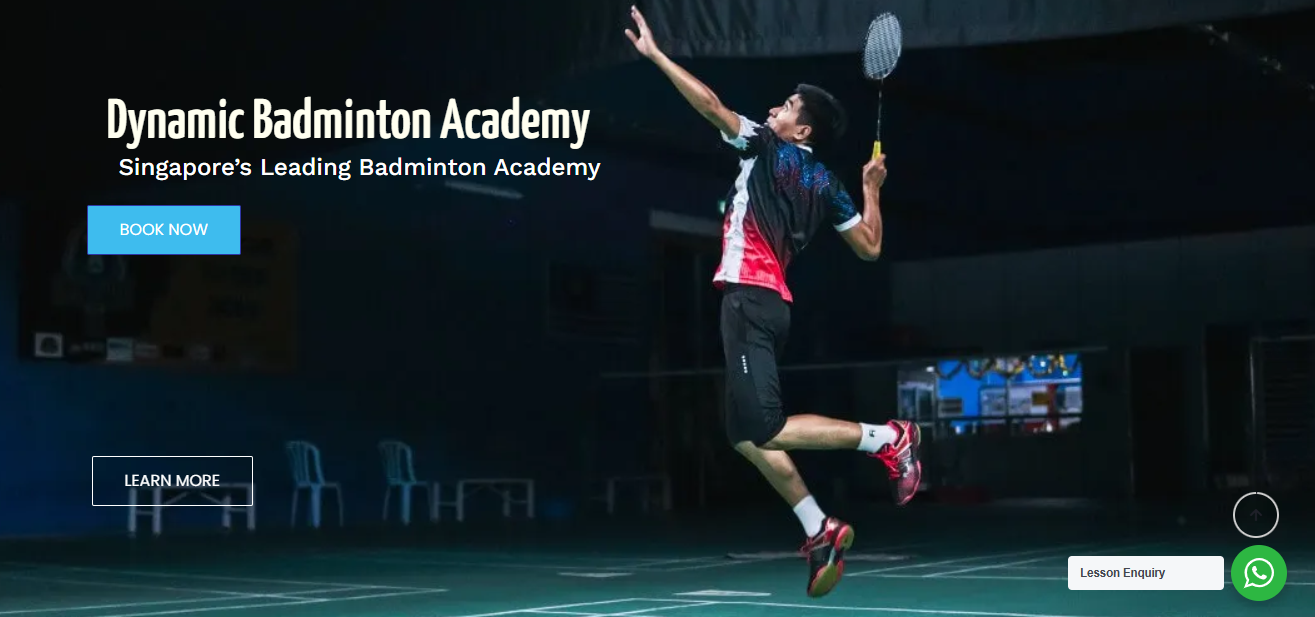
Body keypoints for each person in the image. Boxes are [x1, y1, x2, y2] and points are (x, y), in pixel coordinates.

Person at [625, 6, 922, 598]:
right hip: (768, 305)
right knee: (745, 436)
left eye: (785, 107)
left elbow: (711, 105)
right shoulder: (827, 184)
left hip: (749, 299)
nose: (773, 110)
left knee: (767, 427)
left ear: (801, 132)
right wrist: (871, 189)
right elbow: (869, 246)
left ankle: (888, 438)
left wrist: (657, 57)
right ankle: (819, 528)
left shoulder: (763, 147)